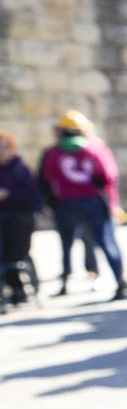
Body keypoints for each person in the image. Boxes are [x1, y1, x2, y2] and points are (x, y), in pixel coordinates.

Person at [39, 110, 125, 299]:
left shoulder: (53, 152)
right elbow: (108, 177)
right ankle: (120, 283)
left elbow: (47, 178)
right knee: (106, 242)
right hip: (93, 201)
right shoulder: (94, 149)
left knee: (66, 244)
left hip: (66, 204)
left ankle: (64, 283)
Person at [0, 129, 42, 305]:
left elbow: (32, 195)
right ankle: (11, 289)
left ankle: (23, 288)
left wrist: (9, 194)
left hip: (20, 219)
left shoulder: (19, 168)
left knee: (19, 254)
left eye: (4, 146)